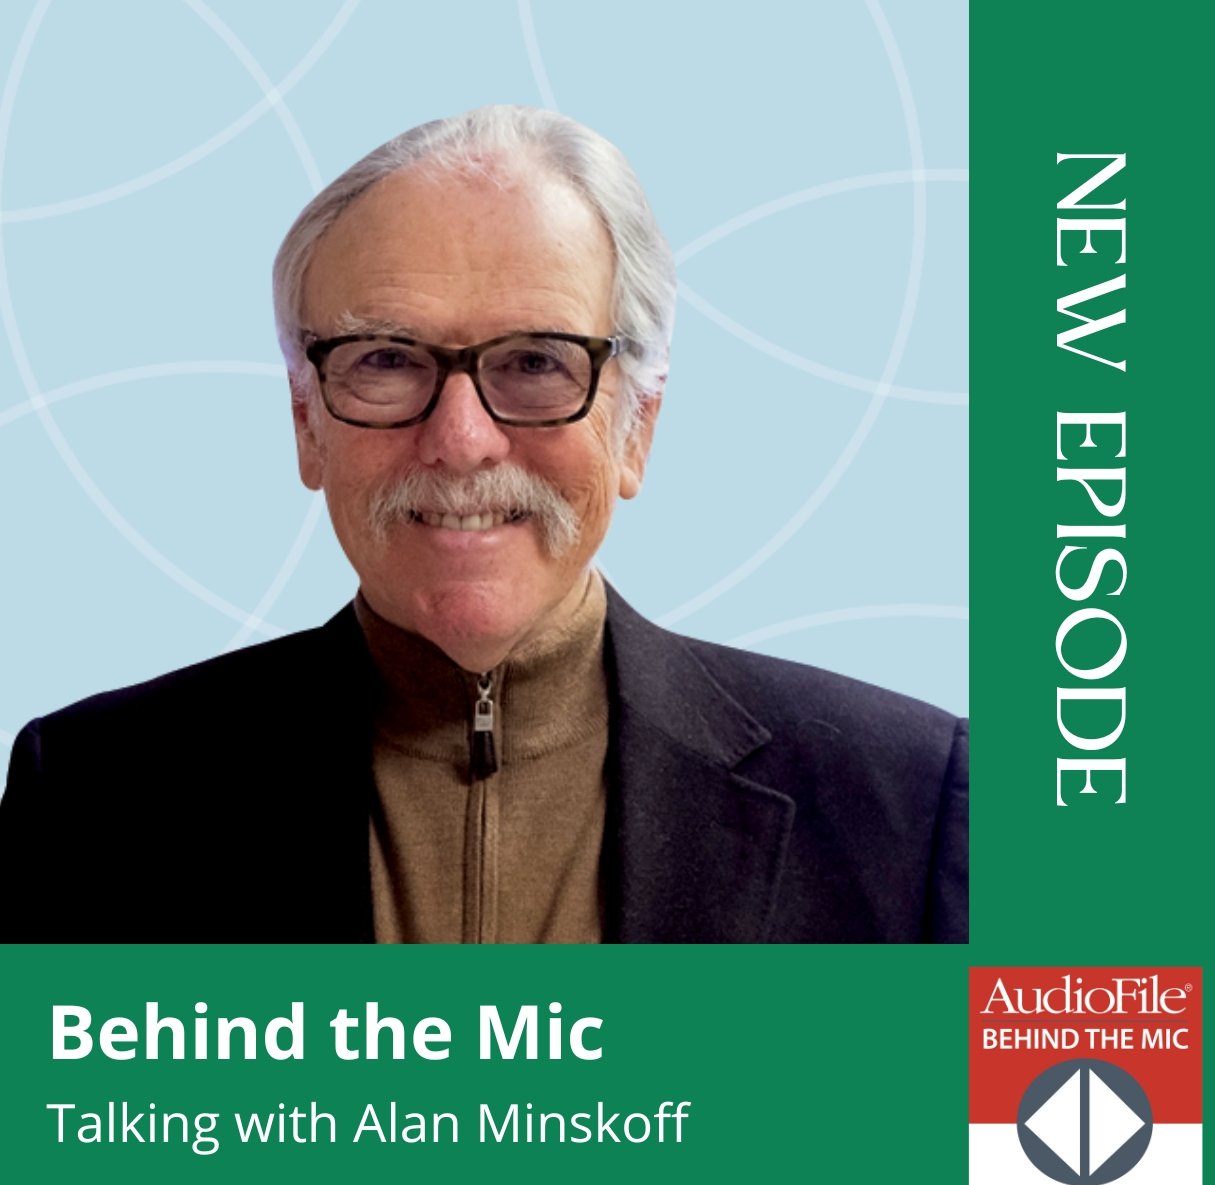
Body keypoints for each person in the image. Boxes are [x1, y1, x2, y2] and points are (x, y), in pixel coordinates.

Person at [0, 105, 967, 944]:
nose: (459, 440)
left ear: (637, 427)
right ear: (306, 422)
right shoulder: (88, 798)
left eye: (537, 363)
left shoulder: (907, 804)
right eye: (385, 360)